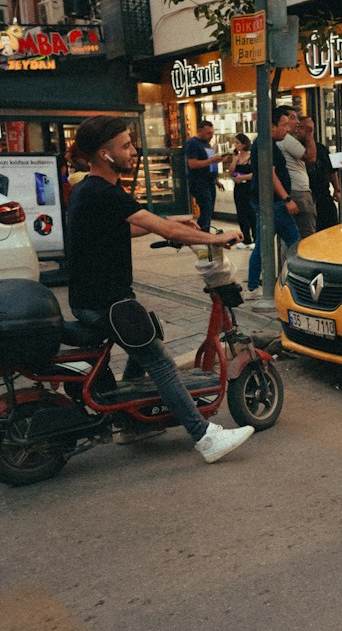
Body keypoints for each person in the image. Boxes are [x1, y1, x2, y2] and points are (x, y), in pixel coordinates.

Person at [65, 116, 254, 464]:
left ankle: (134, 424)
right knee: (162, 363)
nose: (133, 151)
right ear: (104, 154)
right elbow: (155, 224)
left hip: (94, 299)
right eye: (125, 146)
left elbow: (128, 228)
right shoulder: (103, 192)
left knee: (150, 334)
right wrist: (216, 236)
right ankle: (205, 438)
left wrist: (171, 225)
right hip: (107, 302)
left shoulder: (87, 190)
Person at [246, 109, 300, 297]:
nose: (287, 129)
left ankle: (255, 285)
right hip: (274, 204)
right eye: (283, 125)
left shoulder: (266, 144)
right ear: (271, 126)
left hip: (272, 203)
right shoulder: (265, 145)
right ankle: (254, 286)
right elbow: (271, 174)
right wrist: (287, 199)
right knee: (288, 243)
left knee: (282, 243)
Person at [278, 109, 318, 239]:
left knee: (291, 236)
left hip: (291, 190)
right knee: (307, 235)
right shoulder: (287, 140)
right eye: (293, 118)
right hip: (299, 192)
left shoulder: (283, 140)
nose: (297, 122)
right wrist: (309, 133)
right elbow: (311, 157)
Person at [302, 117, 341, 229]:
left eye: (310, 129)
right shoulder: (296, 148)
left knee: (330, 226)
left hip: (324, 195)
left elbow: (331, 170)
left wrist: (337, 189)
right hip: (309, 194)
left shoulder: (321, 148)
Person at [184, 119, 219, 232]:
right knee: (206, 208)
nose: (211, 136)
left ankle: (204, 232)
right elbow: (192, 164)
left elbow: (209, 164)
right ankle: (202, 234)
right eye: (208, 133)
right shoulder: (193, 143)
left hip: (209, 181)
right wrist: (211, 161)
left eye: (212, 133)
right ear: (200, 131)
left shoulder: (207, 144)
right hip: (199, 182)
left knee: (209, 211)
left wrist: (216, 180)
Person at [227, 132, 255, 248]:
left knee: (251, 213)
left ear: (243, 144)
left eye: (237, 143)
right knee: (241, 213)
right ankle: (246, 238)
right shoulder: (237, 157)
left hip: (249, 187)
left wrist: (242, 177)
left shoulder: (251, 156)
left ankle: (256, 238)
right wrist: (234, 160)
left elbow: (255, 174)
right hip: (239, 188)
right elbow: (230, 173)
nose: (235, 145)